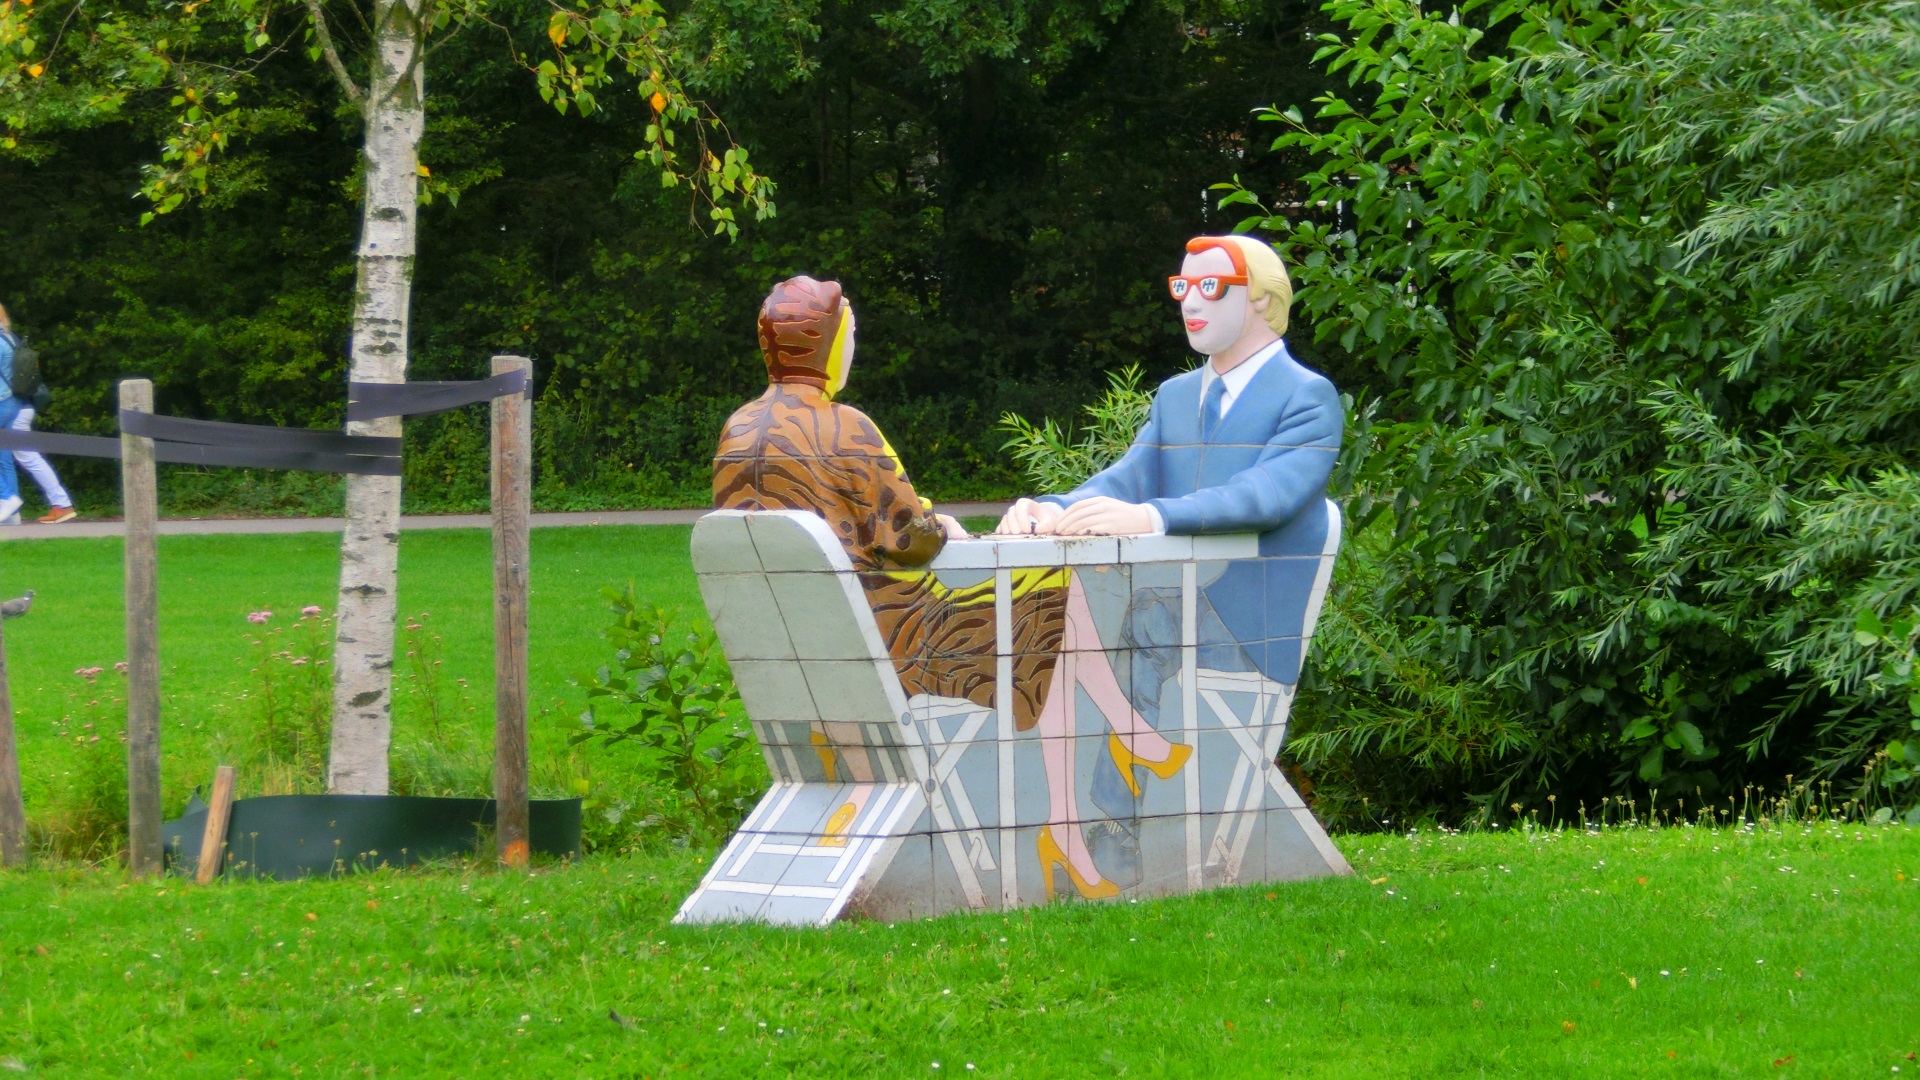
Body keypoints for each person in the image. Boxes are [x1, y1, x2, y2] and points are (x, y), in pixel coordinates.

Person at [713, 275, 1185, 900]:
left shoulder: (737, 433)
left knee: (1051, 613)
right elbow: (912, 538)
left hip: (804, 651)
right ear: (826, 345)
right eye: (849, 335)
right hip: (897, 645)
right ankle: (1108, 768)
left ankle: (1089, 800)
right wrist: (942, 525)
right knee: (1056, 597)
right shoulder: (845, 428)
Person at [997, 233, 1344, 746]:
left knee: (1134, 622)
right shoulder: (1175, 396)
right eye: (1183, 286)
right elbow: (1128, 477)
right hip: (1169, 595)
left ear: (1262, 297)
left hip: (1249, 619)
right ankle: (1092, 789)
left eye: (1211, 286)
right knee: (1061, 612)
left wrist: (1151, 517)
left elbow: (1264, 496)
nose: (1191, 302)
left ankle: (1124, 791)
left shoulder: (1307, 396)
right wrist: (1052, 509)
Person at [0, 303, 75, 524]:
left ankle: (8, 500)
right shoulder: (11, 338)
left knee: (21, 458)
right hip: (23, 404)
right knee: (18, 457)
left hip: (8, 405)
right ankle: (59, 505)